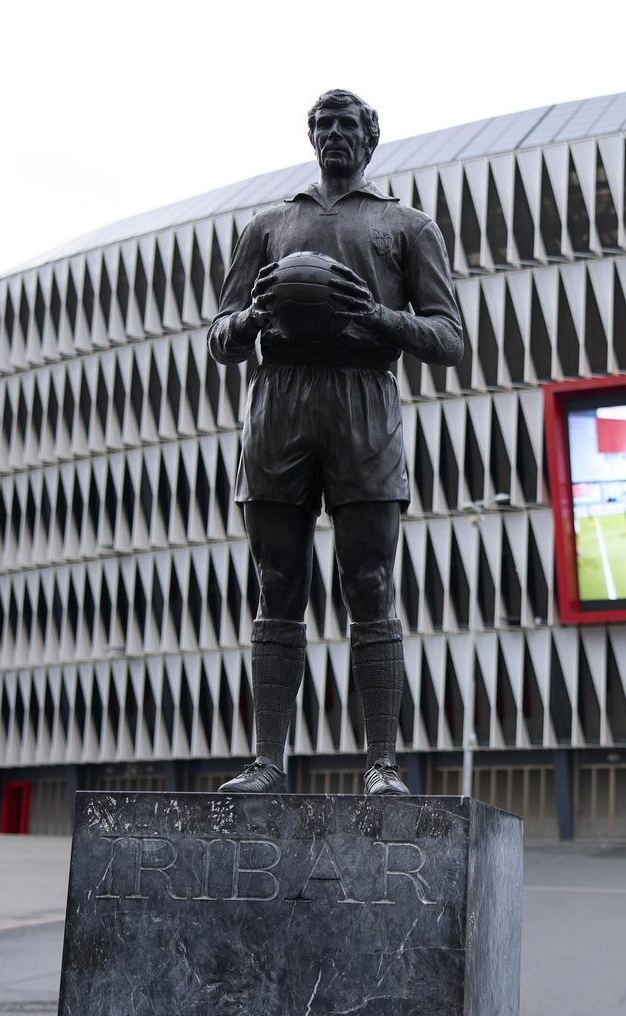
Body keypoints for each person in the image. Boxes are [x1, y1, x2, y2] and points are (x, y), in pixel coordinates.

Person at [206, 89, 463, 797]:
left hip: (364, 397)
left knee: (370, 583)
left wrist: (377, 316)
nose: (333, 133)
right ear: (311, 137)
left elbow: (450, 337)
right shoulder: (268, 225)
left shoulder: (406, 225)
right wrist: (253, 314)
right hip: (280, 402)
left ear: (369, 139)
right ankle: (266, 761)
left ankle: (381, 764)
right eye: (322, 123)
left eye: (346, 123)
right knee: (277, 584)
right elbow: (220, 338)